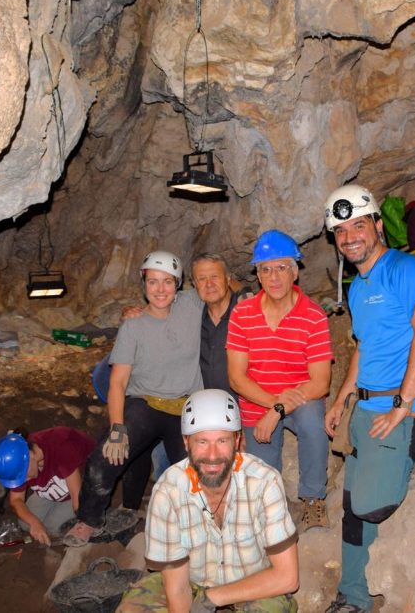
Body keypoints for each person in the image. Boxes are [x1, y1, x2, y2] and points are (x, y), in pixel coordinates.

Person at [321, 185, 415, 613]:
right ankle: (352, 594)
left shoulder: (405, 269)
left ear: (377, 224)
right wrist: (340, 400)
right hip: (364, 409)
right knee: (352, 509)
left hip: (398, 408)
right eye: (340, 230)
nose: (350, 236)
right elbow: (363, 347)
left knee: (372, 505)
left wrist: (404, 405)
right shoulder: (357, 286)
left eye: (358, 225)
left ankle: (408, 464)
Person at [64, 250, 205, 547]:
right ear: (144, 284)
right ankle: (89, 520)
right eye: (153, 282)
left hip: (185, 404)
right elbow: (118, 382)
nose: (160, 289)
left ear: (179, 284)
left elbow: (219, 285)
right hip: (146, 402)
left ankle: (194, 526)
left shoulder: (192, 303)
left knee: (196, 472)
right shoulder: (134, 325)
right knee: (105, 456)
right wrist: (118, 429)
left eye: (168, 282)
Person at [118, 389, 299, 612]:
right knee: (134, 607)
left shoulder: (264, 481)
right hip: (191, 582)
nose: (213, 455)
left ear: (237, 439)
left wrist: (212, 598)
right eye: (202, 441)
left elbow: (288, 577)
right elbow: (178, 589)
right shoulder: (168, 491)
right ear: (186, 442)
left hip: (254, 583)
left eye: (222, 440)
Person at [226, 230, 333, 533]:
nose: (273, 277)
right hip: (256, 403)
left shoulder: (313, 316)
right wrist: (273, 404)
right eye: (265, 269)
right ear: (257, 275)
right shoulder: (242, 315)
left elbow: (321, 383)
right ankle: (276, 509)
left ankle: (313, 498)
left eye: (281, 268)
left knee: (313, 423)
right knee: (263, 487)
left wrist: (278, 409)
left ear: (295, 271)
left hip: (298, 401)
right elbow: (237, 377)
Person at [0, 428, 95, 546]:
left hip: (82, 487)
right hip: (51, 486)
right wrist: (34, 523)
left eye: (23, 476)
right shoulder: (20, 456)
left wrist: (86, 520)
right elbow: (16, 500)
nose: (22, 481)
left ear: (30, 455)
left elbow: (78, 500)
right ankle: (54, 508)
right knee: (27, 524)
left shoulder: (61, 447)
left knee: (52, 528)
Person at [192, 252, 244, 399]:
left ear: (228, 279)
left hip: (248, 411)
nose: (209, 284)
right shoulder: (192, 317)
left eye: (215, 276)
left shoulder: (247, 314)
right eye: (202, 279)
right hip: (205, 409)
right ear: (195, 285)